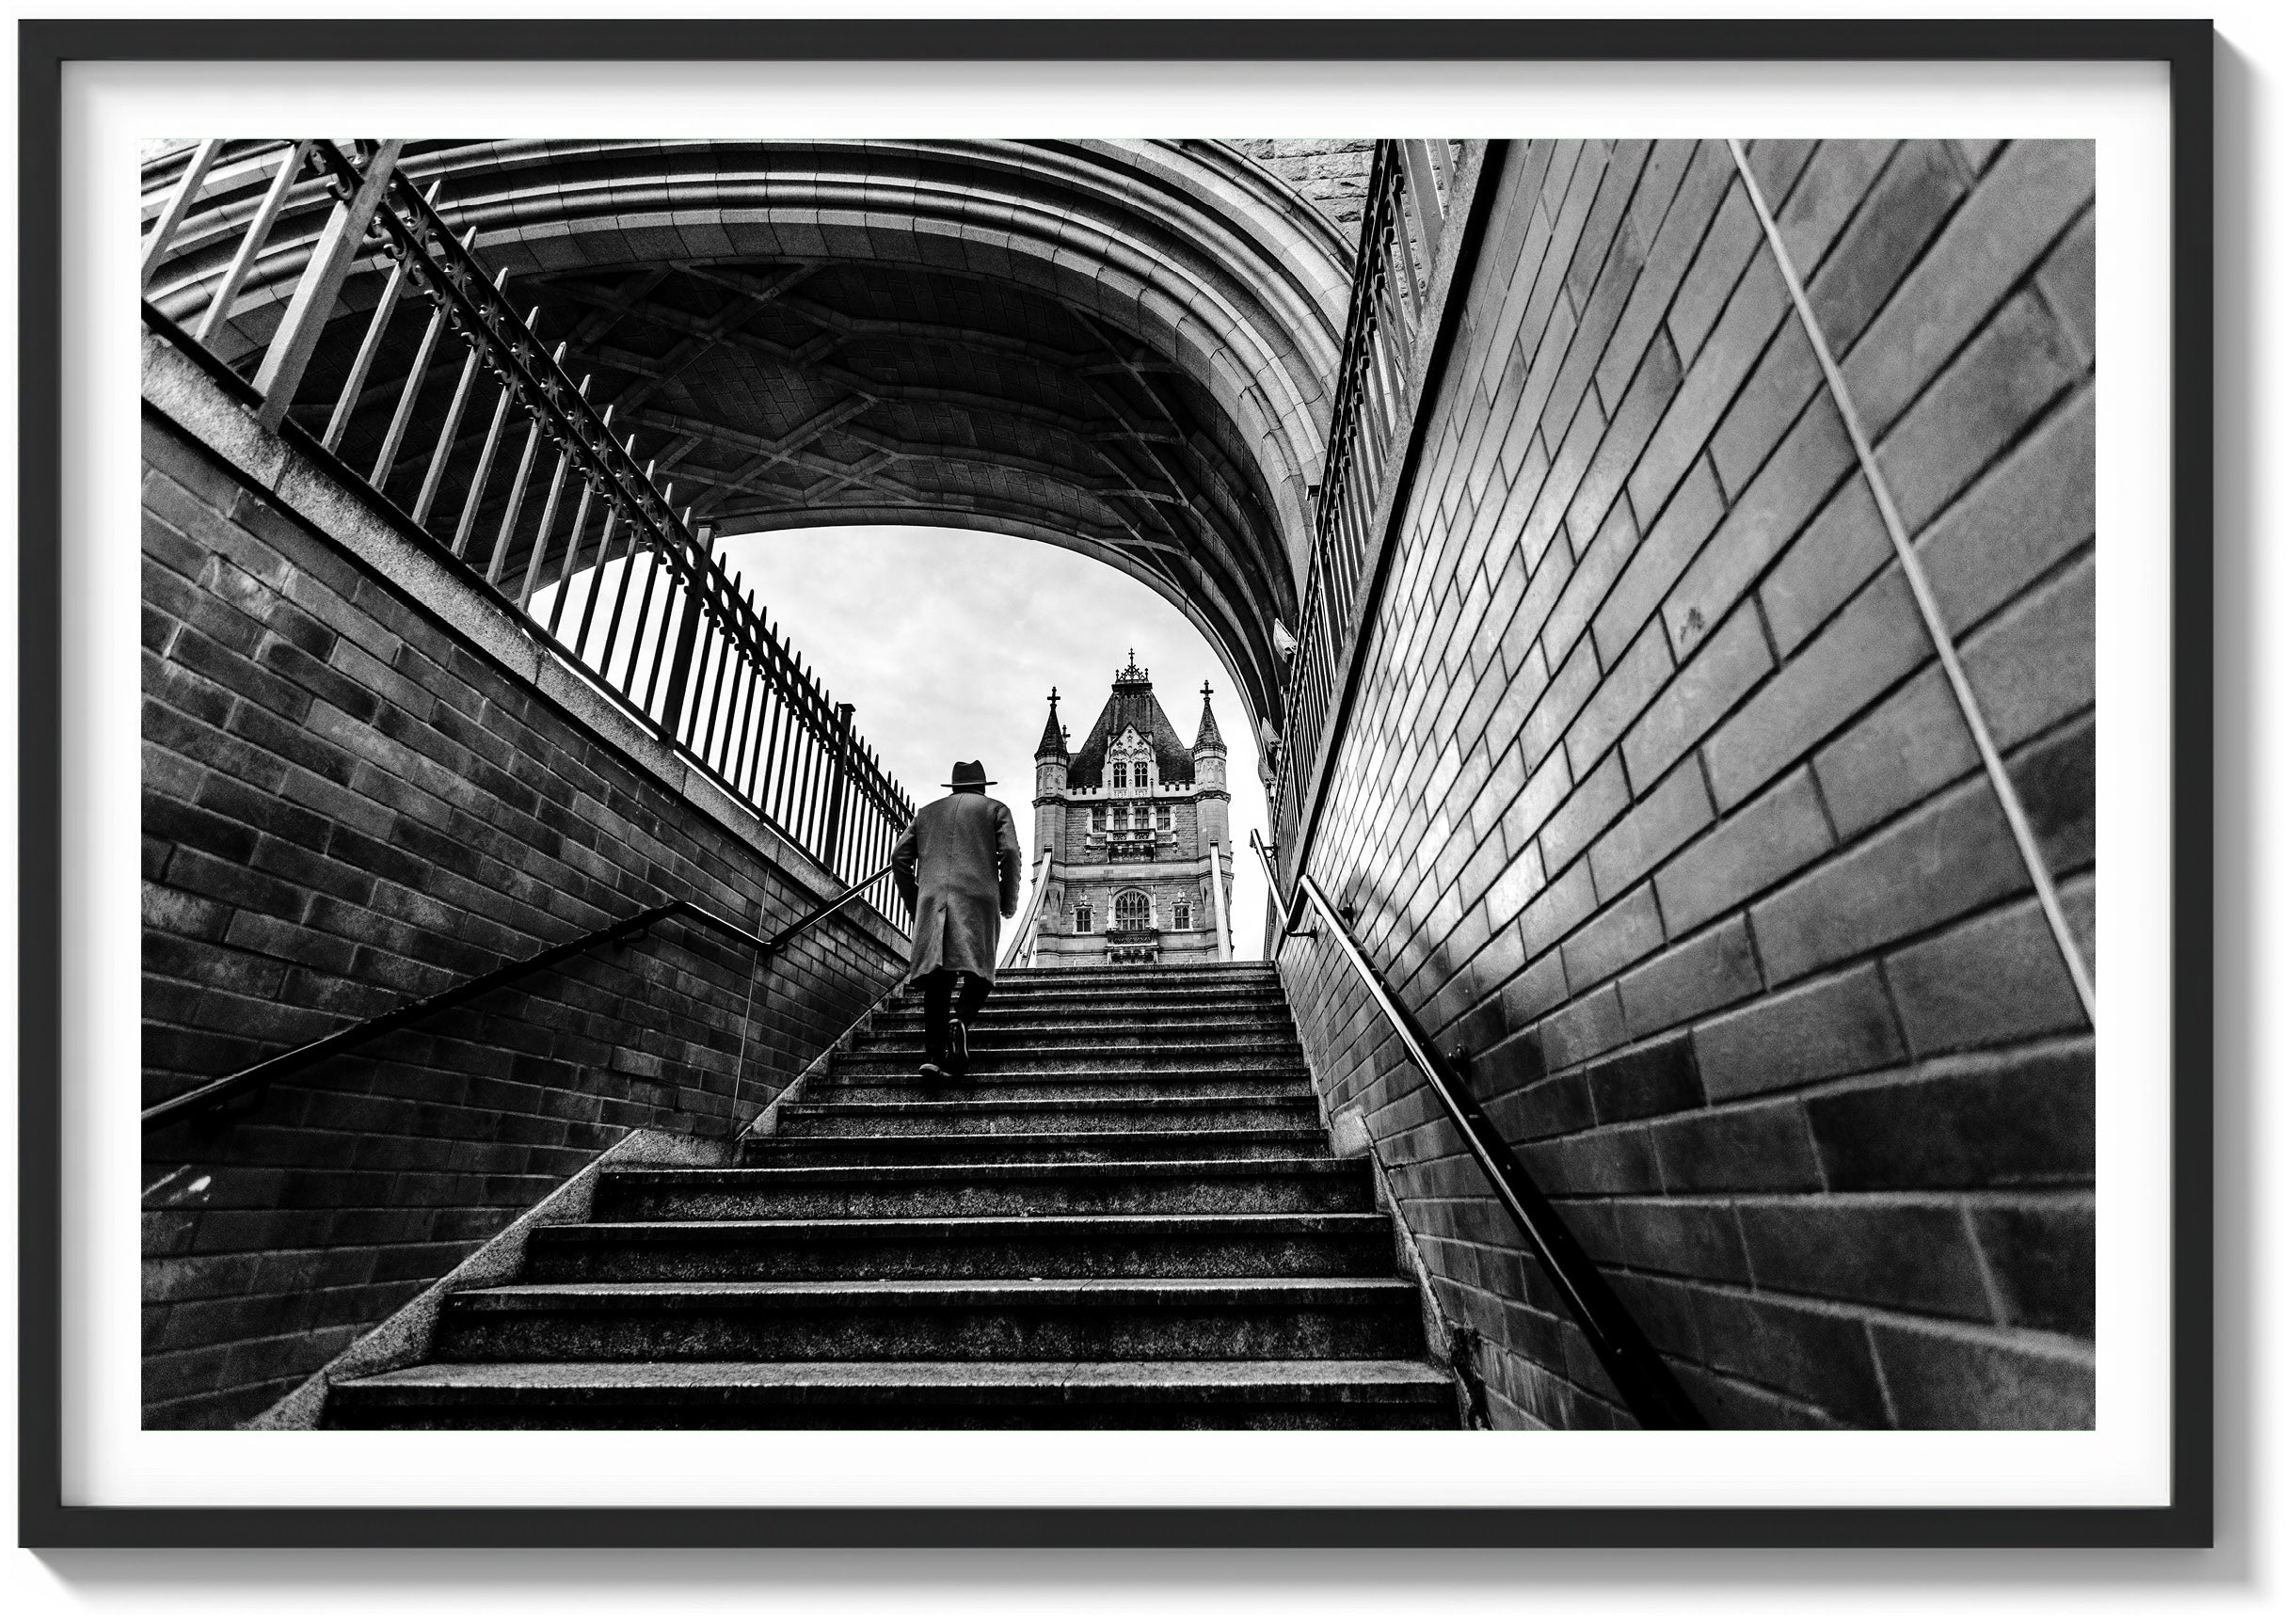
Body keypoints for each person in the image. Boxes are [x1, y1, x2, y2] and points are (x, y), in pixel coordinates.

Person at [890, 759, 1023, 1080]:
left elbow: (899, 858)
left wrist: (916, 902)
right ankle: (960, 1020)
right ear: (981, 786)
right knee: (980, 968)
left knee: (938, 977)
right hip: (979, 898)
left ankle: (933, 1056)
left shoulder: (926, 813)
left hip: (934, 900)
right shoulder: (995, 808)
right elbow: (1010, 854)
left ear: (953, 787)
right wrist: (1007, 901)